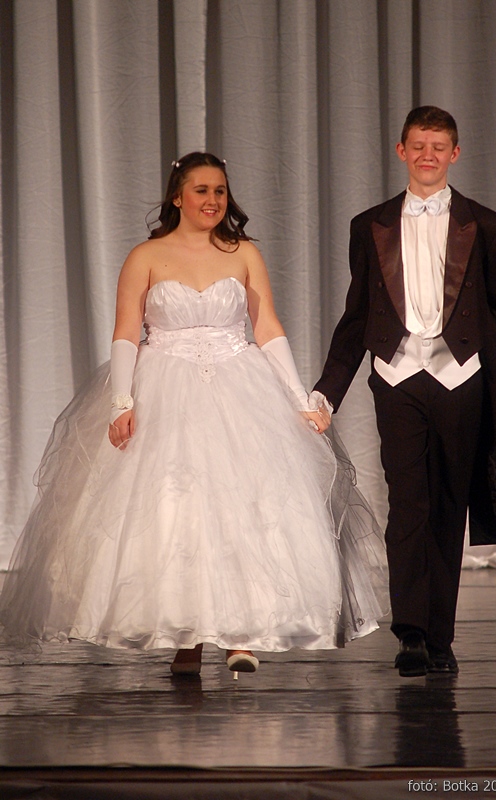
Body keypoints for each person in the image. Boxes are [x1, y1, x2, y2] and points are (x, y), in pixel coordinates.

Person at [0, 152, 388, 676]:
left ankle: (240, 634)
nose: (212, 200)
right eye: (202, 190)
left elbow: (267, 326)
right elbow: (125, 332)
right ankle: (186, 637)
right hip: (166, 387)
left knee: (245, 503)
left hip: (239, 385)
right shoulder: (146, 256)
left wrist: (300, 398)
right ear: (178, 196)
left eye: (220, 191)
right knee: (176, 510)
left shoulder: (243, 253)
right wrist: (121, 402)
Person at [313, 107, 496, 677]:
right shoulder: (370, 224)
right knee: (408, 500)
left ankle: (440, 636)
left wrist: (463, 339)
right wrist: (328, 391)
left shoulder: (487, 224)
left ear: (455, 154)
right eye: (419, 145)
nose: (428, 155)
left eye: (439, 146)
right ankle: (410, 631)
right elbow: (358, 314)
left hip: (460, 376)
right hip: (397, 374)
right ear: (401, 151)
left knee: (449, 502)